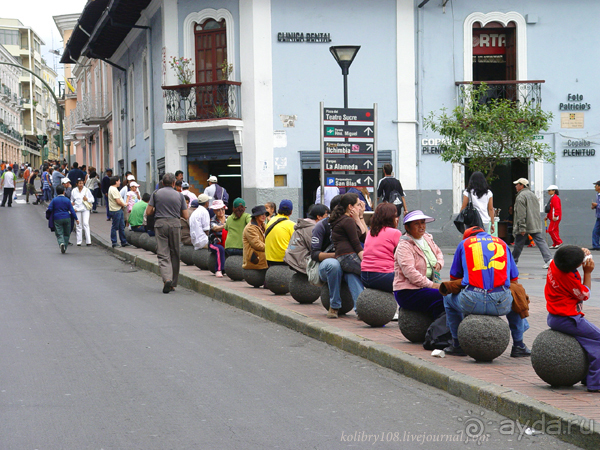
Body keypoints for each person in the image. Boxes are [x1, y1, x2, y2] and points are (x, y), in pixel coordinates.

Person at [443, 226, 530, 357]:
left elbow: (454, 278)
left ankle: (457, 344)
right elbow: (514, 279)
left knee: (448, 298)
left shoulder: (465, 244)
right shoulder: (502, 243)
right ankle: (519, 345)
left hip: (471, 302)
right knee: (516, 295)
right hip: (500, 303)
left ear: (469, 237)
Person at [545, 245, 600, 392]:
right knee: (598, 339)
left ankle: (587, 376)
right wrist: (587, 272)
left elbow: (567, 254)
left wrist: (581, 253)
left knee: (588, 339)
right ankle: (596, 383)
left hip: (554, 315)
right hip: (568, 319)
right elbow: (585, 295)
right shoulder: (568, 278)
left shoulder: (553, 263)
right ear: (575, 267)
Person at [311, 195, 364, 319]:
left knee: (351, 274)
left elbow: (362, 238)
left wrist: (359, 218)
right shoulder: (322, 226)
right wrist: (336, 255)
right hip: (327, 264)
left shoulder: (349, 221)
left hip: (346, 260)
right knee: (335, 266)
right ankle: (334, 305)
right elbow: (314, 254)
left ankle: (361, 309)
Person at [393, 210, 445, 317]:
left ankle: (441, 327)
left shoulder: (426, 238)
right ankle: (438, 330)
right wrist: (433, 285)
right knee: (443, 297)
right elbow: (411, 273)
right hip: (408, 291)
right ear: (407, 227)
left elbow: (438, 252)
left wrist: (439, 263)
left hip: (426, 286)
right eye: (416, 224)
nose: (421, 226)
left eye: (423, 222)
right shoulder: (404, 246)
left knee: (453, 295)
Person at [145, 173, 189, 293]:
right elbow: (185, 215)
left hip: (160, 224)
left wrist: (157, 209)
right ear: (174, 183)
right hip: (175, 224)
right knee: (175, 253)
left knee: (163, 253)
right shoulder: (180, 195)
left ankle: (167, 278)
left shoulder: (156, 194)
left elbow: (148, 212)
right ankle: (173, 283)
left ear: (163, 183)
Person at [512, 178, 552, 268]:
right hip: (534, 223)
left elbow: (521, 214)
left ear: (522, 185)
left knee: (518, 244)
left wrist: (522, 227)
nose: (516, 186)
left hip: (525, 225)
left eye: (517, 184)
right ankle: (549, 260)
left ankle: (513, 261)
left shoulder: (521, 196)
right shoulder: (532, 195)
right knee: (540, 242)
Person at [361, 203, 402, 292]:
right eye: (395, 216)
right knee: (413, 281)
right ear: (389, 217)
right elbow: (403, 256)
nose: (397, 218)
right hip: (384, 276)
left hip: (365, 277)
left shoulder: (371, 232)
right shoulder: (395, 233)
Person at [330, 193, 368, 276]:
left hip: (345, 257)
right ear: (350, 207)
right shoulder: (347, 220)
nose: (360, 207)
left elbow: (364, 237)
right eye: (358, 205)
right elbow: (356, 243)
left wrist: (359, 218)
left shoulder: (346, 219)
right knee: (370, 272)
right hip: (348, 256)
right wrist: (365, 261)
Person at [284, 204, 329, 274]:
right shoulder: (312, 228)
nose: (328, 218)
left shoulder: (305, 224)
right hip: (300, 261)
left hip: (292, 257)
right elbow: (315, 249)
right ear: (319, 217)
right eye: (326, 215)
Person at [46, 184, 79, 253]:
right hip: (67, 217)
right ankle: (65, 247)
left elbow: (49, 209)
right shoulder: (67, 200)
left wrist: (48, 216)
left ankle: (61, 243)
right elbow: (72, 210)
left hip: (57, 218)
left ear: (56, 192)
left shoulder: (54, 200)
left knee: (59, 232)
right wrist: (76, 218)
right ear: (64, 192)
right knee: (67, 233)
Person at [265, 199, 296, 266]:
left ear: (279, 210)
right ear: (291, 212)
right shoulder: (292, 225)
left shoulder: (270, 221)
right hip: (284, 260)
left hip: (269, 259)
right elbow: (295, 244)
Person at [242, 205, 268, 274]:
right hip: (255, 259)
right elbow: (257, 244)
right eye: (261, 214)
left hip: (262, 256)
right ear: (256, 216)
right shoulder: (250, 228)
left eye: (265, 214)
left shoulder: (263, 225)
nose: (264, 216)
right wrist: (271, 248)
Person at [107, 176, 130, 248]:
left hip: (118, 209)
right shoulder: (113, 189)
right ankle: (114, 242)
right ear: (116, 181)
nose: (120, 182)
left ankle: (123, 241)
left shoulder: (113, 189)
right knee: (115, 226)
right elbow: (118, 201)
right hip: (116, 210)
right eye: (119, 181)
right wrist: (124, 204)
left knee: (121, 226)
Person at [71, 178, 94, 246]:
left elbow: (92, 199)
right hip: (77, 210)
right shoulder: (74, 191)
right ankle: (79, 241)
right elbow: (72, 201)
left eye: (82, 183)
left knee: (85, 224)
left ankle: (88, 241)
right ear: (77, 184)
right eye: (79, 183)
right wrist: (73, 208)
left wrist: (87, 199)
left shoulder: (86, 190)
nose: (81, 184)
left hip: (85, 209)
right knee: (78, 225)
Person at [209, 199, 228, 277]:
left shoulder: (229, 218)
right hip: (214, 243)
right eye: (218, 210)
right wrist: (226, 226)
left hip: (226, 242)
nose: (221, 211)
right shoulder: (212, 221)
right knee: (219, 249)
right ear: (214, 211)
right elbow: (215, 228)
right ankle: (219, 270)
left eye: (222, 209)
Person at [544, 184, 562, 249]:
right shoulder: (552, 198)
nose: (548, 192)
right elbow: (550, 209)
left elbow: (557, 208)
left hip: (555, 218)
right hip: (552, 217)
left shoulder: (555, 198)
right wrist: (547, 216)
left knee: (551, 230)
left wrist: (555, 215)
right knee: (555, 230)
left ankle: (559, 241)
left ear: (554, 191)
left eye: (549, 190)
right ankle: (555, 243)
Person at [591, 180, 600, 251]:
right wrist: (594, 207)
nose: (595, 187)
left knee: (596, 231)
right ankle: (596, 245)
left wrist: (597, 205)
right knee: (595, 231)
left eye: (596, 185)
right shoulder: (598, 194)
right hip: (599, 216)